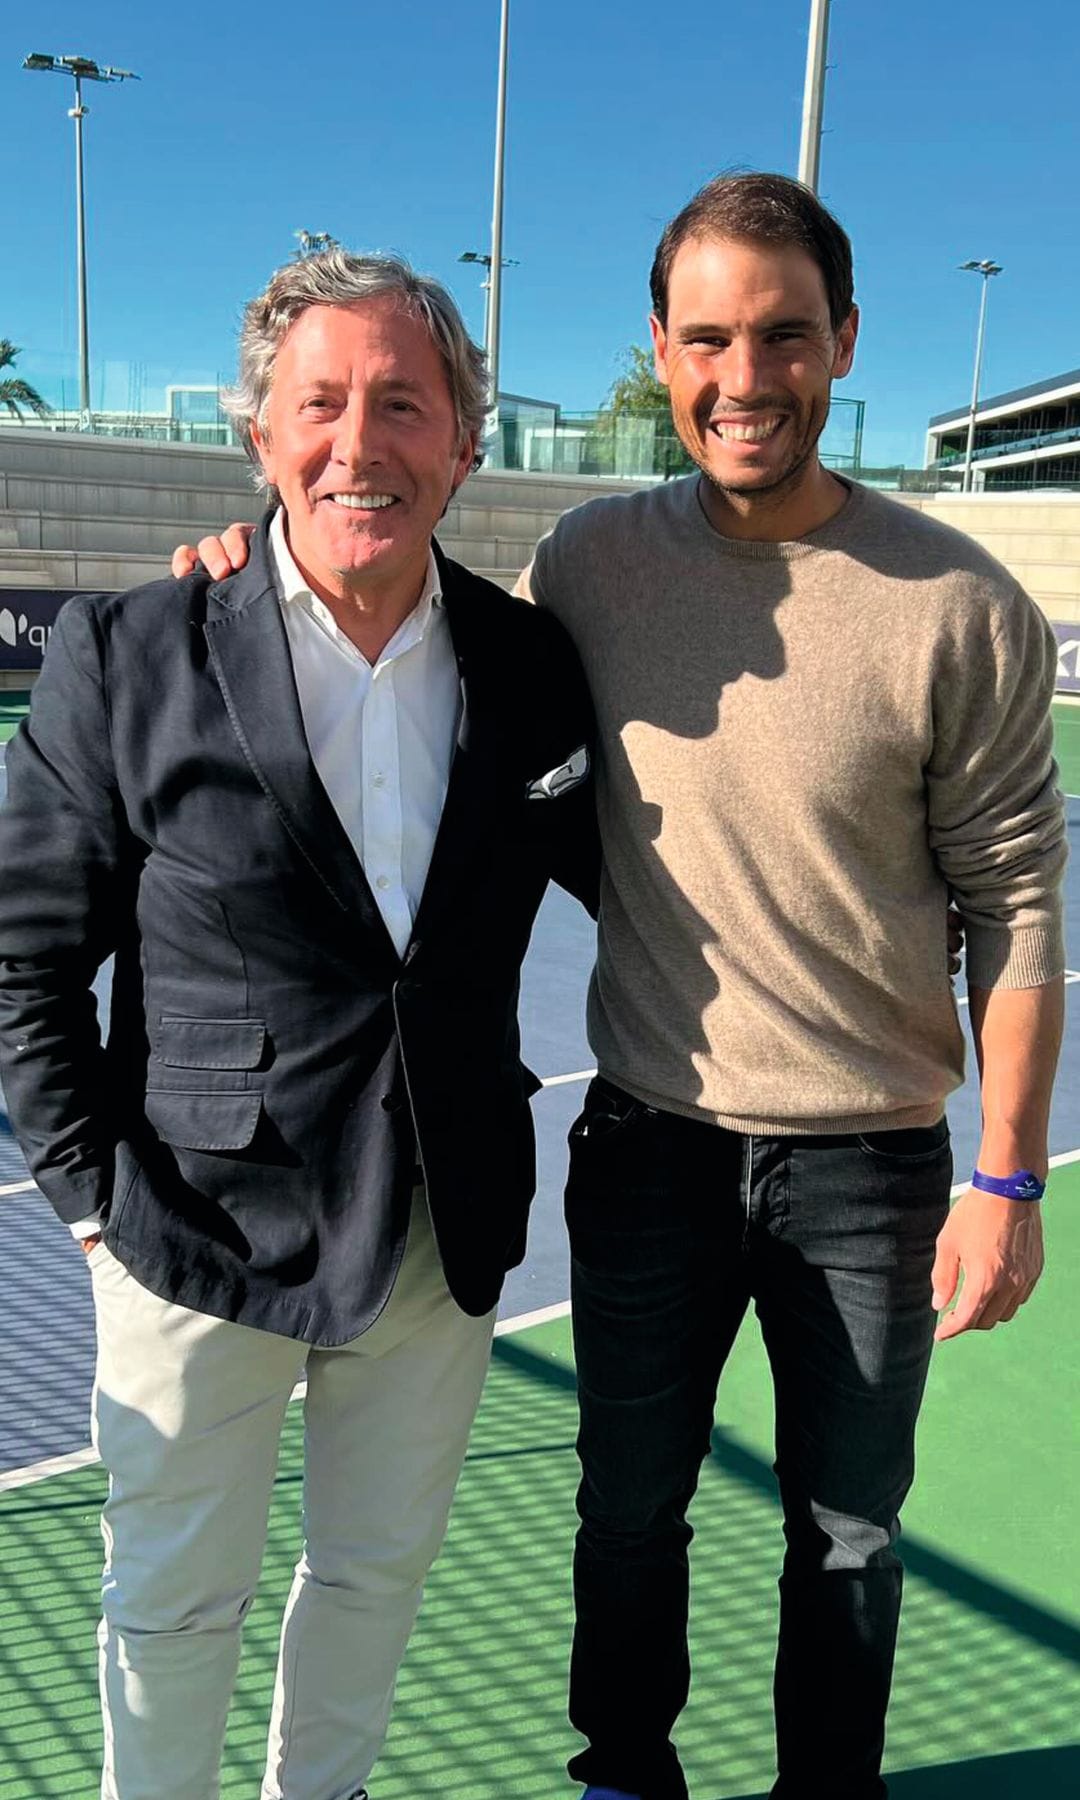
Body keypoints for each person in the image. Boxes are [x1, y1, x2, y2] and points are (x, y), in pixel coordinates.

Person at [170, 176, 1066, 1800]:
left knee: (848, 1534)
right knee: (626, 1507)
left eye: (785, 335)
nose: (746, 375)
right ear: (660, 352)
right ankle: (623, 1774)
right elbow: (417, 624)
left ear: (843, 343)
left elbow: (1016, 901)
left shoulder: (962, 605)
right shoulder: (588, 559)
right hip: (648, 1145)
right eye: (709, 337)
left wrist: (1004, 1170)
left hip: (870, 1169)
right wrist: (252, 561)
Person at [0, 250, 598, 1800]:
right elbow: (27, 962)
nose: (360, 443)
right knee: (172, 1609)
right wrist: (87, 1206)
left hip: (439, 1225)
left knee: (372, 1582)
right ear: (258, 436)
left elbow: (658, 880)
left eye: (404, 404)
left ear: (464, 443)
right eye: (319, 404)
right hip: (197, 1234)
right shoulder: (131, 653)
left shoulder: (534, 670)